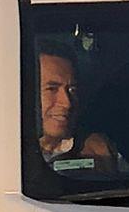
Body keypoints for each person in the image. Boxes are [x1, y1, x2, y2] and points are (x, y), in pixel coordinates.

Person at [37, 43, 119, 171]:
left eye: (72, 90)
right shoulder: (0, 153)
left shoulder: (99, 151)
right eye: (52, 89)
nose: (67, 103)